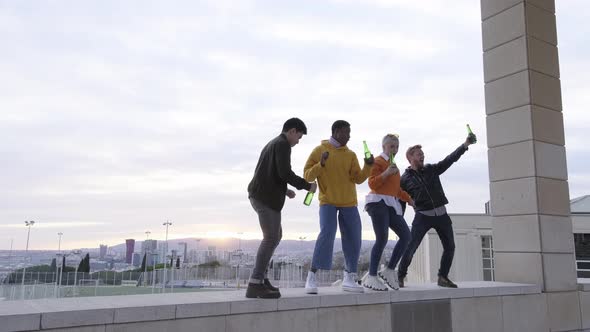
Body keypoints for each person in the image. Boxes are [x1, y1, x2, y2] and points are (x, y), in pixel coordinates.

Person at [246, 118, 317, 299]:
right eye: (299, 137)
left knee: (275, 237)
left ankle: (261, 278)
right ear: (292, 131)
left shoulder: (273, 143)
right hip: (265, 199)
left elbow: (269, 172)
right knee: (270, 238)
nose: (298, 141)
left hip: (262, 194)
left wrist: (285, 190)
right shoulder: (283, 144)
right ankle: (255, 283)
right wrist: (307, 186)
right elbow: (285, 172)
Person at [397, 132, 476, 288]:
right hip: (422, 217)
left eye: (423, 154)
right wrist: (399, 222)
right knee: (411, 247)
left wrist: (465, 144)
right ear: (410, 158)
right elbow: (402, 202)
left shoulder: (431, 169)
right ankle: (400, 276)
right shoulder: (404, 179)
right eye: (419, 154)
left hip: (441, 215)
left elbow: (449, 160)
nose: (422, 157)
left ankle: (443, 277)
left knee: (450, 247)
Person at [303, 120, 374, 294]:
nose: (349, 136)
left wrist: (368, 166)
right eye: (346, 132)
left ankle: (349, 276)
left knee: (354, 237)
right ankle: (312, 276)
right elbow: (307, 176)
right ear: (336, 132)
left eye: (349, 132)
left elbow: (358, 178)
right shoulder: (319, 150)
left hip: (348, 202)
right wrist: (321, 164)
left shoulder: (350, 154)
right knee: (327, 232)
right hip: (327, 200)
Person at [362, 134, 414, 291]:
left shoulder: (394, 166)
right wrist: (385, 174)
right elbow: (372, 183)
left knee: (406, 235)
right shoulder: (378, 161)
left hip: (391, 203)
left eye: (397, 147)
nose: (395, 149)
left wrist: (410, 200)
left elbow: (396, 189)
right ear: (384, 146)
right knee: (382, 238)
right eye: (392, 146)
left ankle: (389, 270)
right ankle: (371, 276)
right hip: (377, 202)